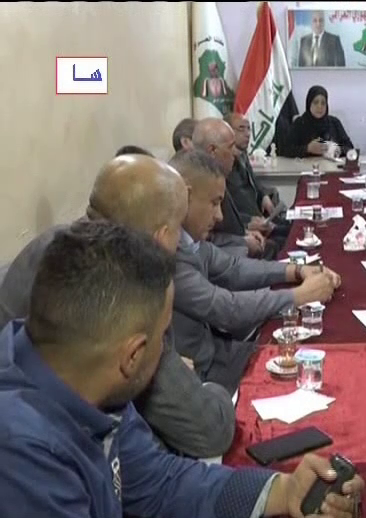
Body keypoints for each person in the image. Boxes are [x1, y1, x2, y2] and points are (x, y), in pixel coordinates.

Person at [0, 220, 364, 518]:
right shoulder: (22, 456)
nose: (168, 352)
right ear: (132, 355)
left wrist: (282, 491)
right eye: (164, 337)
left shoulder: (82, 379)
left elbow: (161, 481)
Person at [0, 154, 235, 460]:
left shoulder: (54, 244)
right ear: (161, 238)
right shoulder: (124, 283)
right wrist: (215, 388)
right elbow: (208, 430)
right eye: (178, 228)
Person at [168, 149, 340, 392]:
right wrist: (300, 295)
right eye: (214, 203)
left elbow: (234, 269)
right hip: (202, 375)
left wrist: (296, 271)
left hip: (218, 353)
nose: (219, 216)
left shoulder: (189, 240)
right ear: (185, 196)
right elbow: (225, 308)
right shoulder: (168, 252)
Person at [192, 118, 272, 259]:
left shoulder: (218, 176)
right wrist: (242, 240)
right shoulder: (198, 186)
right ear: (212, 150)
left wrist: (245, 233)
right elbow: (205, 239)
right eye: (230, 147)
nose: (235, 153)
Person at [224, 112, 290, 240]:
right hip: (246, 228)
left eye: (249, 128)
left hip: (260, 219)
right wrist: (248, 222)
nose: (248, 134)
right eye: (241, 129)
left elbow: (253, 180)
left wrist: (263, 195)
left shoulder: (242, 154)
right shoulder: (222, 166)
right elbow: (225, 212)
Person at [285, 86, 354, 159]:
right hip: (306, 166)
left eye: (323, 103)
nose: (319, 107)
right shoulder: (299, 123)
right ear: (309, 104)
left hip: (330, 165)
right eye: (315, 102)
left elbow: (350, 148)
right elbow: (285, 150)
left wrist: (338, 149)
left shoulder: (334, 122)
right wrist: (307, 148)